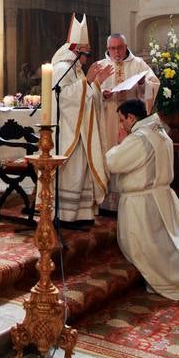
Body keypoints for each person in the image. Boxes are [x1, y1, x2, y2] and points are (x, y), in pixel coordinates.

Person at [107, 99, 179, 300]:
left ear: (131, 117)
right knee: (171, 242)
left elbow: (114, 162)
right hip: (160, 196)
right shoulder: (160, 133)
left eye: (122, 120)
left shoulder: (139, 138)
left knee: (151, 251)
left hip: (143, 203)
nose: (122, 126)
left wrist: (118, 143)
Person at [51, 14, 113, 228]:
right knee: (72, 171)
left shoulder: (75, 68)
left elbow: (84, 95)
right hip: (69, 132)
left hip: (80, 131)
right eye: (85, 54)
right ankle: (67, 215)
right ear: (76, 51)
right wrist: (88, 81)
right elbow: (64, 98)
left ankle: (81, 213)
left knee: (81, 171)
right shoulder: (61, 68)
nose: (86, 59)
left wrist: (96, 85)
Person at [93, 33, 160, 213]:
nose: (116, 51)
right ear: (107, 49)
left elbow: (153, 83)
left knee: (129, 154)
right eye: (112, 48)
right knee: (109, 153)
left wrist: (141, 84)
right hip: (107, 119)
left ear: (126, 46)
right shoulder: (100, 66)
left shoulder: (138, 64)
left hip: (131, 119)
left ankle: (128, 199)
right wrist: (101, 93)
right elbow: (88, 91)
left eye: (120, 47)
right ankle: (107, 202)